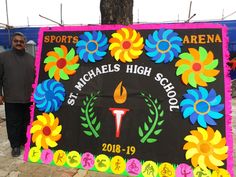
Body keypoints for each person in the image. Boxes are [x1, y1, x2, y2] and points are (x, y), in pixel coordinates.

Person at [0, 32, 35, 157]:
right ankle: (15, 146)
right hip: (11, 98)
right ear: (12, 42)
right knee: (13, 123)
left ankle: (24, 142)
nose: (19, 43)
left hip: (28, 98)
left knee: (26, 122)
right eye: (16, 41)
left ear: (25, 43)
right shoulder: (3, 57)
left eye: (21, 41)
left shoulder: (31, 59)